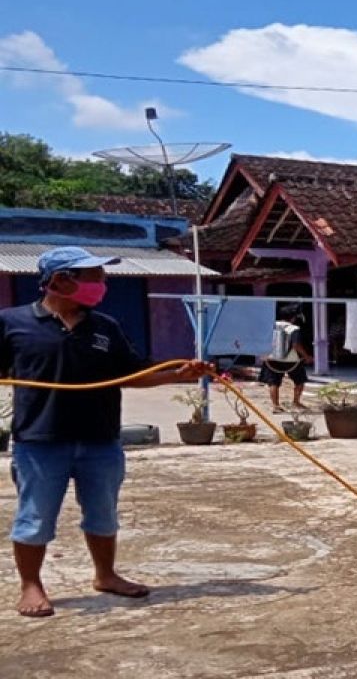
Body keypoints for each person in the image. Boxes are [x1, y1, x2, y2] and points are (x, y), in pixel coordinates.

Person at [0, 246, 208, 617]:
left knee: (103, 513)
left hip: (100, 439)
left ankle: (106, 575)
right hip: (40, 441)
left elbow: (133, 373)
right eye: (93, 275)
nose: (102, 283)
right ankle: (31, 586)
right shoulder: (12, 322)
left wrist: (178, 375)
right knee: (34, 518)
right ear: (60, 280)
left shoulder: (105, 327)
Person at [258, 304, 313, 413]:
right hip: (291, 361)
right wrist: (306, 356)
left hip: (272, 359)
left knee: (273, 382)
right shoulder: (294, 328)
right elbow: (296, 345)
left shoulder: (271, 325)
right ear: (293, 317)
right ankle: (296, 402)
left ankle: (275, 406)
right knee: (300, 380)